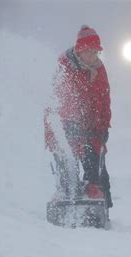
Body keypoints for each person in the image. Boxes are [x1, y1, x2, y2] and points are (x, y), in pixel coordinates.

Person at [45, 25, 113, 209]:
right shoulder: (65, 66)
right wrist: (71, 125)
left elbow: (104, 99)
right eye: (89, 52)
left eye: (96, 52)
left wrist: (104, 126)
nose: (93, 56)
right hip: (65, 125)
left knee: (97, 170)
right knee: (68, 171)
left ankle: (99, 203)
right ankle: (68, 197)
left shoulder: (99, 69)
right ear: (79, 51)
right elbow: (58, 98)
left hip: (91, 127)